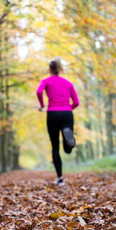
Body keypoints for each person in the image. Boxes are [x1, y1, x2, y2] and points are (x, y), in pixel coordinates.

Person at [36, 58, 79, 186]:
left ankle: (60, 178)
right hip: (67, 113)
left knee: (55, 147)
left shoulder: (45, 81)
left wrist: (42, 105)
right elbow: (76, 102)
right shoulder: (68, 83)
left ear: (50, 70)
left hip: (53, 113)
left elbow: (39, 91)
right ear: (59, 69)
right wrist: (66, 109)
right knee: (67, 149)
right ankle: (68, 141)